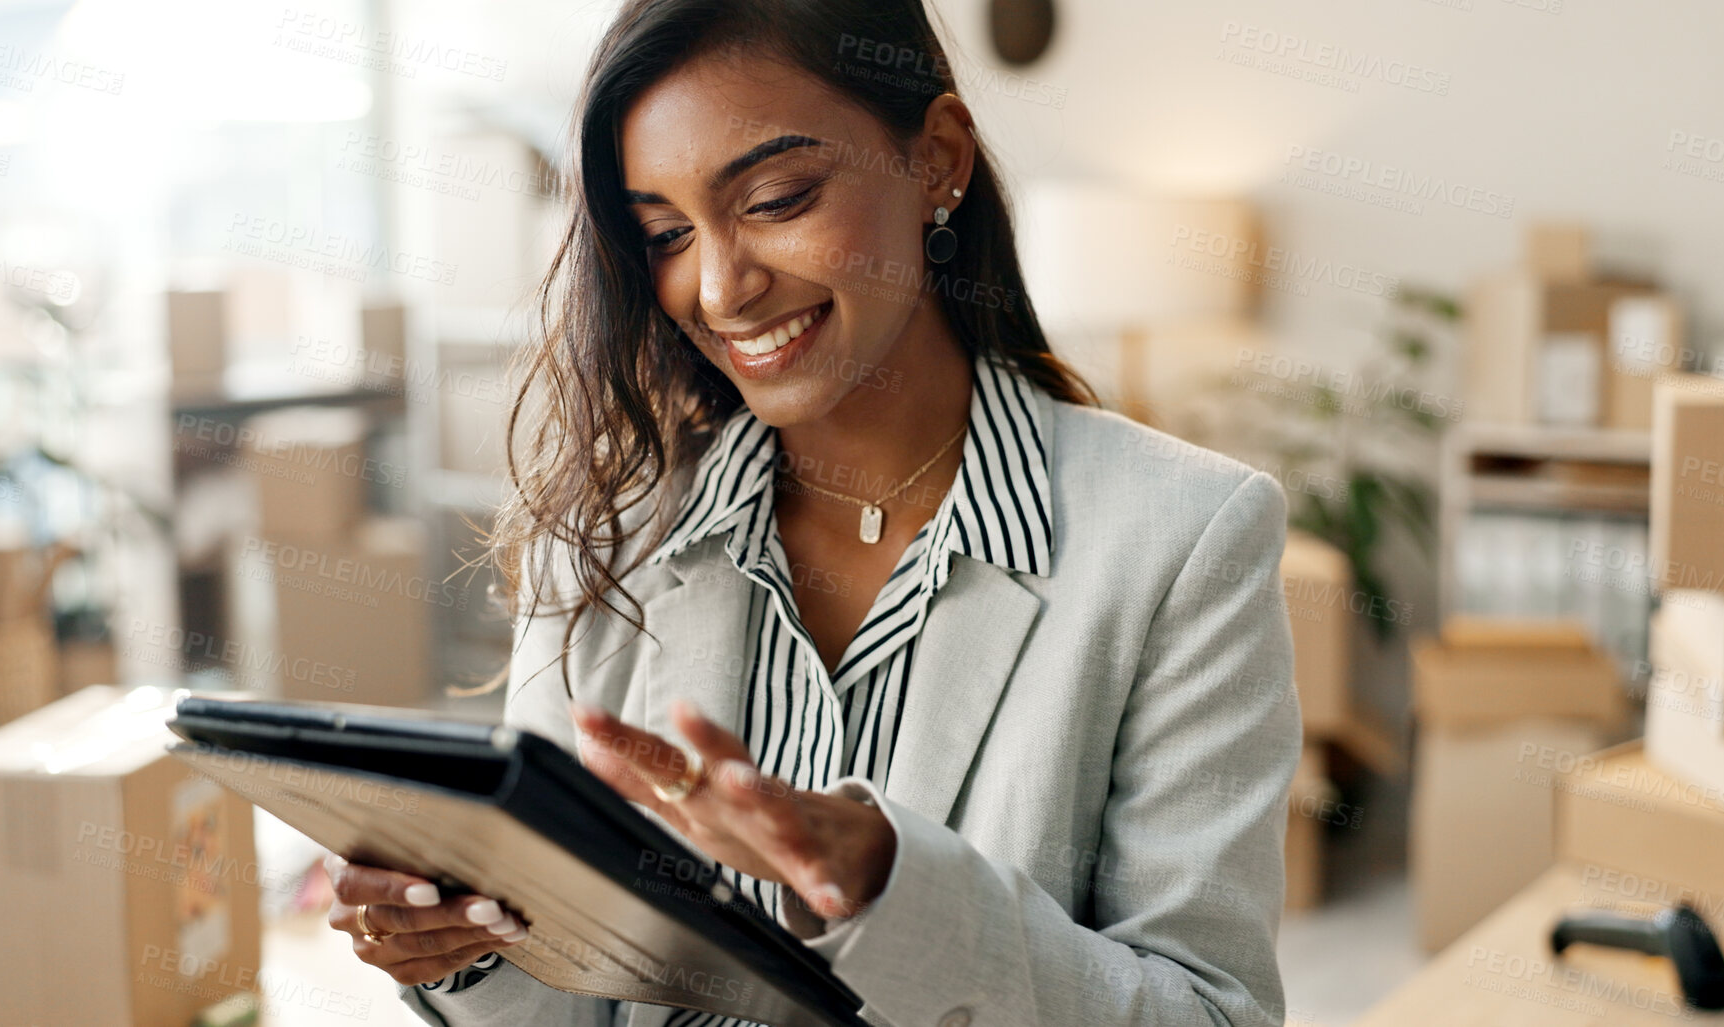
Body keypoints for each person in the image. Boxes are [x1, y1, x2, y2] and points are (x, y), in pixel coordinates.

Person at [324, 0, 1302, 1024]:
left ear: (936, 160)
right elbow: (572, 996)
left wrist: (894, 887)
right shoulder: (606, 539)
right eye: (663, 233)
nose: (720, 288)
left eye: (778, 199)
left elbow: (1211, 1014)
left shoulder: (1185, 537)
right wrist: (462, 951)